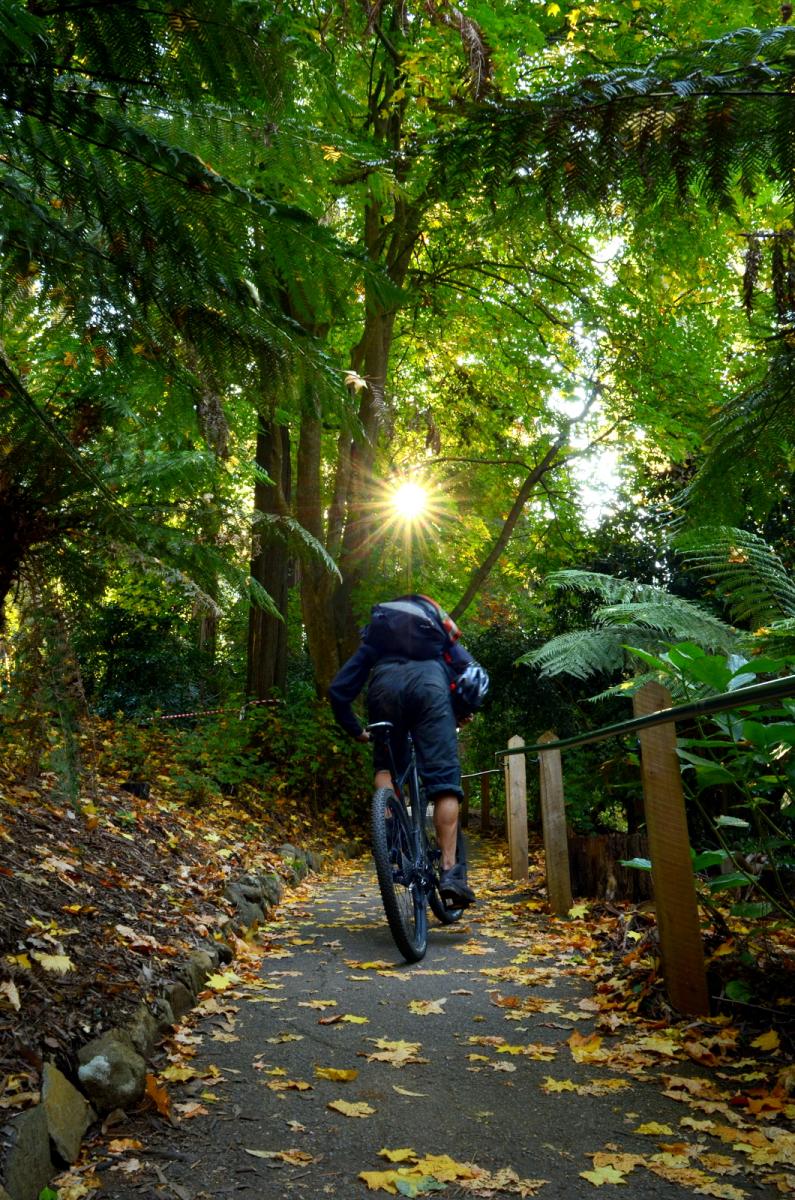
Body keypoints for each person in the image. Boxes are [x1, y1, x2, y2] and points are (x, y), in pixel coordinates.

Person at [327, 594, 488, 908]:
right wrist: (461, 710)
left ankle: (390, 844)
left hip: (383, 690)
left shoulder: (378, 637)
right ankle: (450, 873)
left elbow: (338, 690)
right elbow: (476, 679)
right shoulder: (439, 639)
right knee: (443, 784)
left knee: (386, 769)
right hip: (431, 691)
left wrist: (355, 729)